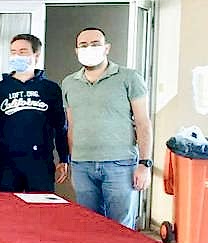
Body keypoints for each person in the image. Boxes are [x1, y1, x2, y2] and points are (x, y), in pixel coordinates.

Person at [61, 27, 152, 229]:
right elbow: (71, 125)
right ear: (76, 50)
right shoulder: (69, 83)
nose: (89, 48)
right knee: (89, 227)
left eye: (95, 44)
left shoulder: (129, 78)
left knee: (121, 228)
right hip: (82, 166)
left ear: (107, 48)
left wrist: (145, 164)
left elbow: (143, 122)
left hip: (120, 165)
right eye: (83, 45)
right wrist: (72, 160)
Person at [0, 34, 69, 193]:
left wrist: (64, 158)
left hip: (40, 162)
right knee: (7, 206)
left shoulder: (50, 89)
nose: (17, 56)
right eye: (13, 52)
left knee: (39, 206)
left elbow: (60, 127)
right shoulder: (0, 89)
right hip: (6, 163)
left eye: (22, 51)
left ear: (36, 55)